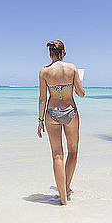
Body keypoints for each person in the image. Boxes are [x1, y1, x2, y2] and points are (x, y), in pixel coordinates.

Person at [37, 40, 85, 205]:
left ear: (50, 53)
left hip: (51, 113)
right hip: (70, 111)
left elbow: (43, 99)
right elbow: (81, 94)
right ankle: (66, 187)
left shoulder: (44, 72)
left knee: (57, 155)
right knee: (72, 152)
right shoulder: (71, 68)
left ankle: (63, 198)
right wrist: (77, 82)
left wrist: (40, 120)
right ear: (63, 52)